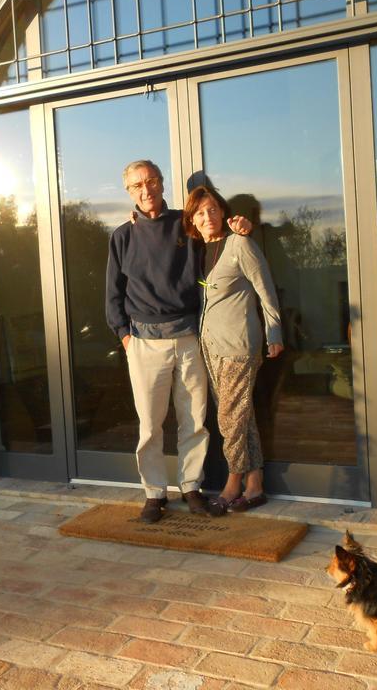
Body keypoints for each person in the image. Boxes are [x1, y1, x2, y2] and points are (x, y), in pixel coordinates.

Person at [105, 159, 249, 523]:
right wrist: (125, 337)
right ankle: (155, 493)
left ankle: (190, 486)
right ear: (129, 192)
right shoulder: (122, 236)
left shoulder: (185, 227)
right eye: (137, 185)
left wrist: (240, 228)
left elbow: (217, 239)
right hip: (143, 343)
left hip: (188, 339)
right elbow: (113, 295)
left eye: (151, 181)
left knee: (194, 420)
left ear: (162, 183)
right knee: (151, 425)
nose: (146, 189)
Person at [183, 183, 283, 513]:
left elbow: (265, 290)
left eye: (212, 209)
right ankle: (256, 486)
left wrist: (274, 333)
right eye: (200, 212)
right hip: (210, 347)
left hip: (240, 344)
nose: (207, 216)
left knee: (228, 418)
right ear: (193, 220)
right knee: (241, 415)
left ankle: (233, 482)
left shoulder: (240, 244)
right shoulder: (198, 251)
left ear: (223, 212)